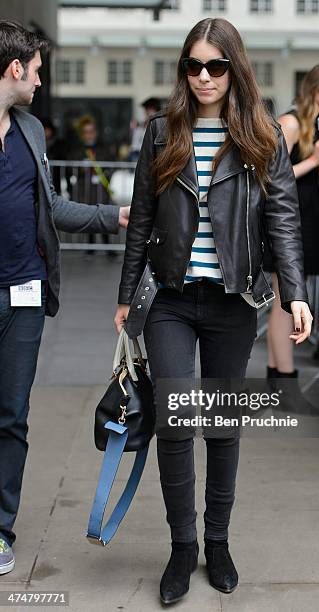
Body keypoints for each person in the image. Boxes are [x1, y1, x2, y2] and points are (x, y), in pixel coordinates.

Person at [114, 18, 312, 605]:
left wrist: (294, 291)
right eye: (193, 66)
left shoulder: (261, 132)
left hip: (232, 302)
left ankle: (218, 542)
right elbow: (143, 220)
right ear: (184, 70)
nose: (203, 77)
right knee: (176, 425)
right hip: (172, 299)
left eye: (215, 66)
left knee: (222, 429)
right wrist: (126, 297)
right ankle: (182, 548)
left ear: (234, 68)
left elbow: (283, 219)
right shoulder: (162, 131)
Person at [0, 20, 130, 575]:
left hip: (25, 291)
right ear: (14, 68)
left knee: (11, 415)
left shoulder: (30, 129)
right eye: (36, 71)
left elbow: (50, 206)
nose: (38, 81)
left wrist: (116, 216)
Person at [265, 63, 319, 407]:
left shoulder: (314, 124)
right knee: (287, 305)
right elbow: (270, 176)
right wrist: (314, 161)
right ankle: (285, 386)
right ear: (310, 91)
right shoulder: (291, 121)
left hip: (304, 215)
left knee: (285, 304)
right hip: (289, 219)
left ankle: (277, 380)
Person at [68, 115, 117, 257]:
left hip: (101, 188)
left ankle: (108, 247)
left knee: (105, 217)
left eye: (91, 131)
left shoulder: (103, 148)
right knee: (89, 217)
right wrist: (81, 169)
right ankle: (90, 247)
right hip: (86, 189)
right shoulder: (78, 150)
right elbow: (72, 168)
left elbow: (111, 166)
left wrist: (104, 173)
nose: (89, 135)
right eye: (86, 132)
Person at [129, 96, 161, 161]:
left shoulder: (159, 125)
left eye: (148, 109)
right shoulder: (141, 125)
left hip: (149, 154)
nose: (146, 111)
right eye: (146, 109)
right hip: (137, 153)